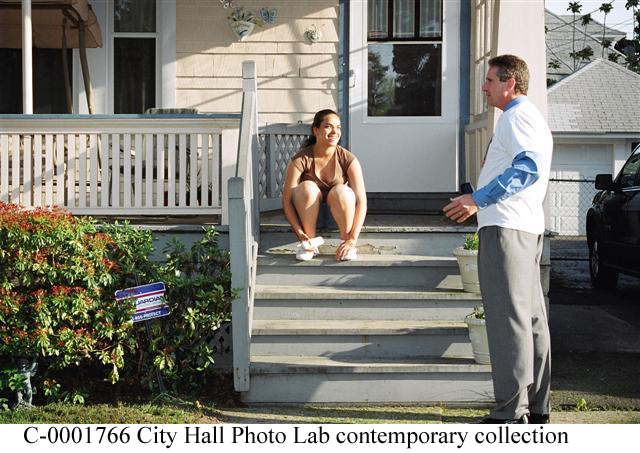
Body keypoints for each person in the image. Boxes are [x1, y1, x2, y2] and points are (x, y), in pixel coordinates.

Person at [443, 55, 553, 424]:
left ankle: (510, 413)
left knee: (508, 321)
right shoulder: (527, 117)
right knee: (530, 319)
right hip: (523, 227)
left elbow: (528, 168)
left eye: (490, 80)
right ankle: (536, 408)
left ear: (510, 83)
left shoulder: (516, 117)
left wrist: (478, 199)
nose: (484, 87)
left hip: (507, 230)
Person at [282, 109, 367, 261]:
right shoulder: (300, 159)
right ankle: (310, 244)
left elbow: (361, 202)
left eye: (338, 127)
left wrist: (352, 239)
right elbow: (287, 201)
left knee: (342, 191)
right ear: (315, 130)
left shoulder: (348, 159)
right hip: (307, 214)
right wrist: (300, 234)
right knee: (307, 187)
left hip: (339, 213)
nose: (335, 131)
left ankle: (345, 245)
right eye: (328, 126)